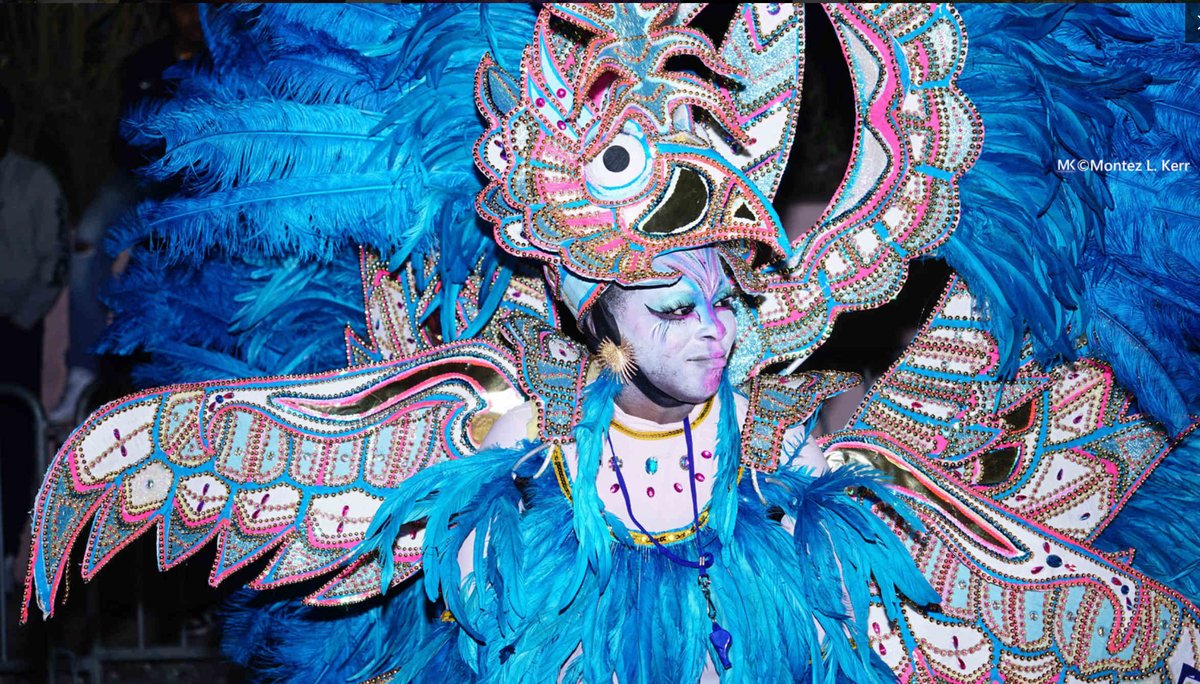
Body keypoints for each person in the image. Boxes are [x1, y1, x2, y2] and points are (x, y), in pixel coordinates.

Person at [21, 4, 1200, 683]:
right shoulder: (493, 433)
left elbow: (1036, 594)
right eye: (673, 292)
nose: (712, 314)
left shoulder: (818, 475)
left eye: (727, 287)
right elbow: (302, 465)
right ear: (589, 294)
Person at [0, 84, 68, 558]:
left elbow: (56, 261)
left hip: (15, 325)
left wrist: (22, 318)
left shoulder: (33, 181)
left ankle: (8, 554)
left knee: (14, 439)